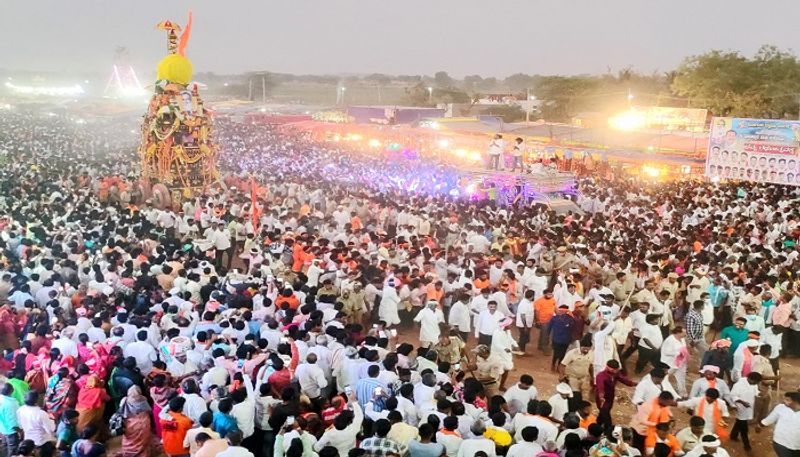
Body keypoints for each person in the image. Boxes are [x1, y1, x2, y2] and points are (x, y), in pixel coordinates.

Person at [595, 360, 636, 430]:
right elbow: (600, 388)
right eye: (613, 369)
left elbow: (624, 380)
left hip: (610, 397)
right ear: (607, 367)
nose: (615, 371)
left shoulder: (615, 374)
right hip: (602, 399)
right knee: (606, 415)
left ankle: (598, 425)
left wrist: (633, 384)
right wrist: (601, 397)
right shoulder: (600, 376)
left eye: (616, 369)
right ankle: (608, 429)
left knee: (604, 413)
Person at [758, 391, 800, 457]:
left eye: (787, 400)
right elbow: (769, 419)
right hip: (781, 443)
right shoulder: (780, 407)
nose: (783, 401)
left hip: (798, 445)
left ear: (796, 402)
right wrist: (760, 425)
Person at [16, 391, 56, 457]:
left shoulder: (20, 410)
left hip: (28, 441)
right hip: (42, 442)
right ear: (37, 400)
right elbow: (50, 430)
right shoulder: (41, 413)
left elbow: (20, 425)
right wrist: (52, 421)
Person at [729, 372, 760, 453]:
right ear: (750, 379)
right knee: (744, 427)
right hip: (741, 407)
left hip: (749, 407)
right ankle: (747, 446)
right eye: (755, 382)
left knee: (739, 421)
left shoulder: (754, 384)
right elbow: (733, 396)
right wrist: (742, 402)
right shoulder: (738, 385)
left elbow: (756, 393)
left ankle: (733, 435)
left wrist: (760, 395)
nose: (756, 384)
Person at [119, 386, 153, 457]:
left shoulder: (124, 400)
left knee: (129, 438)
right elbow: (149, 411)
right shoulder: (143, 399)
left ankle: (129, 451)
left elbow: (121, 411)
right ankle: (141, 452)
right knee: (142, 438)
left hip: (128, 423)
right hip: (142, 422)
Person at [559, 336, 593, 402]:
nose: (586, 350)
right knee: (574, 395)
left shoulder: (591, 353)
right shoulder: (572, 353)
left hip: (583, 378)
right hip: (572, 378)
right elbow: (562, 365)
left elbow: (591, 366)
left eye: (588, 349)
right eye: (584, 348)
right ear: (580, 346)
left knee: (581, 395)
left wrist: (592, 377)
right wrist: (561, 375)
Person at [0, 383, 21, 456]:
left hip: (2, 429)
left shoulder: (1, 399)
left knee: (5, 446)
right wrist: (20, 431)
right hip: (11, 432)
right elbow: (13, 422)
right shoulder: (10, 404)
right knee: (13, 450)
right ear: (12, 390)